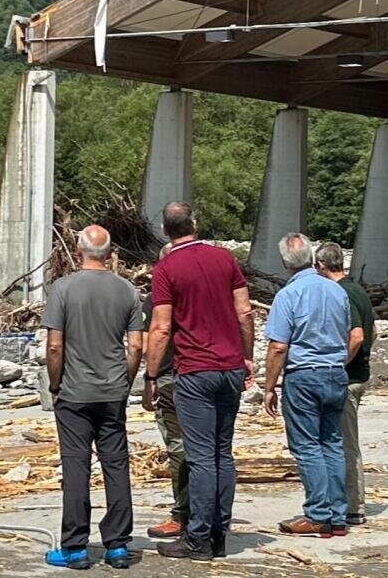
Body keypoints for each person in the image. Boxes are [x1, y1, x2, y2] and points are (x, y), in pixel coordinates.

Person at [145, 202, 253, 561]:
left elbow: (161, 327)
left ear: (165, 231)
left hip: (195, 370)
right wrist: (246, 355)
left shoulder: (166, 268)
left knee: (201, 457)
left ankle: (199, 537)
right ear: (194, 223)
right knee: (223, 453)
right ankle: (219, 533)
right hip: (229, 366)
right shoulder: (224, 258)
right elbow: (244, 311)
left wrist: (150, 375)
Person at [43, 225, 144, 570]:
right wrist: (124, 381)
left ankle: (75, 547)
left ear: (78, 251)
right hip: (112, 391)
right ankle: (118, 545)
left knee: (76, 466)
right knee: (116, 465)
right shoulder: (127, 290)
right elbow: (136, 346)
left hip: (74, 392)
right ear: (110, 253)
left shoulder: (63, 288)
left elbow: (54, 345)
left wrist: (54, 384)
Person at [261, 233, 362, 538]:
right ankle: (337, 514)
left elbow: (278, 346)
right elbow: (349, 332)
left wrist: (269, 386)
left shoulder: (288, 295)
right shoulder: (337, 291)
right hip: (335, 372)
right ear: (312, 258)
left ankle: (318, 513)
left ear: (284, 263)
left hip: (304, 374)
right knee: (331, 442)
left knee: (306, 445)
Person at [315, 241, 375, 524]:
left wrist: (337, 365)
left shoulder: (342, 292)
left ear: (321, 266)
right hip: (358, 374)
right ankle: (341, 500)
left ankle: (353, 505)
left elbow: (358, 335)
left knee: (344, 443)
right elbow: (373, 330)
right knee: (339, 441)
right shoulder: (357, 289)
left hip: (347, 378)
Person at [142, 284, 189, 539]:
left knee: (179, 447)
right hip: (212, 372)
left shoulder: (158, 297)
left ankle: (183, 515)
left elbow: (154, 336)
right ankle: (214, 514)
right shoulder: (210, 291)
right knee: (214, 447)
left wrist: (150, 377)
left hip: (172, 376)